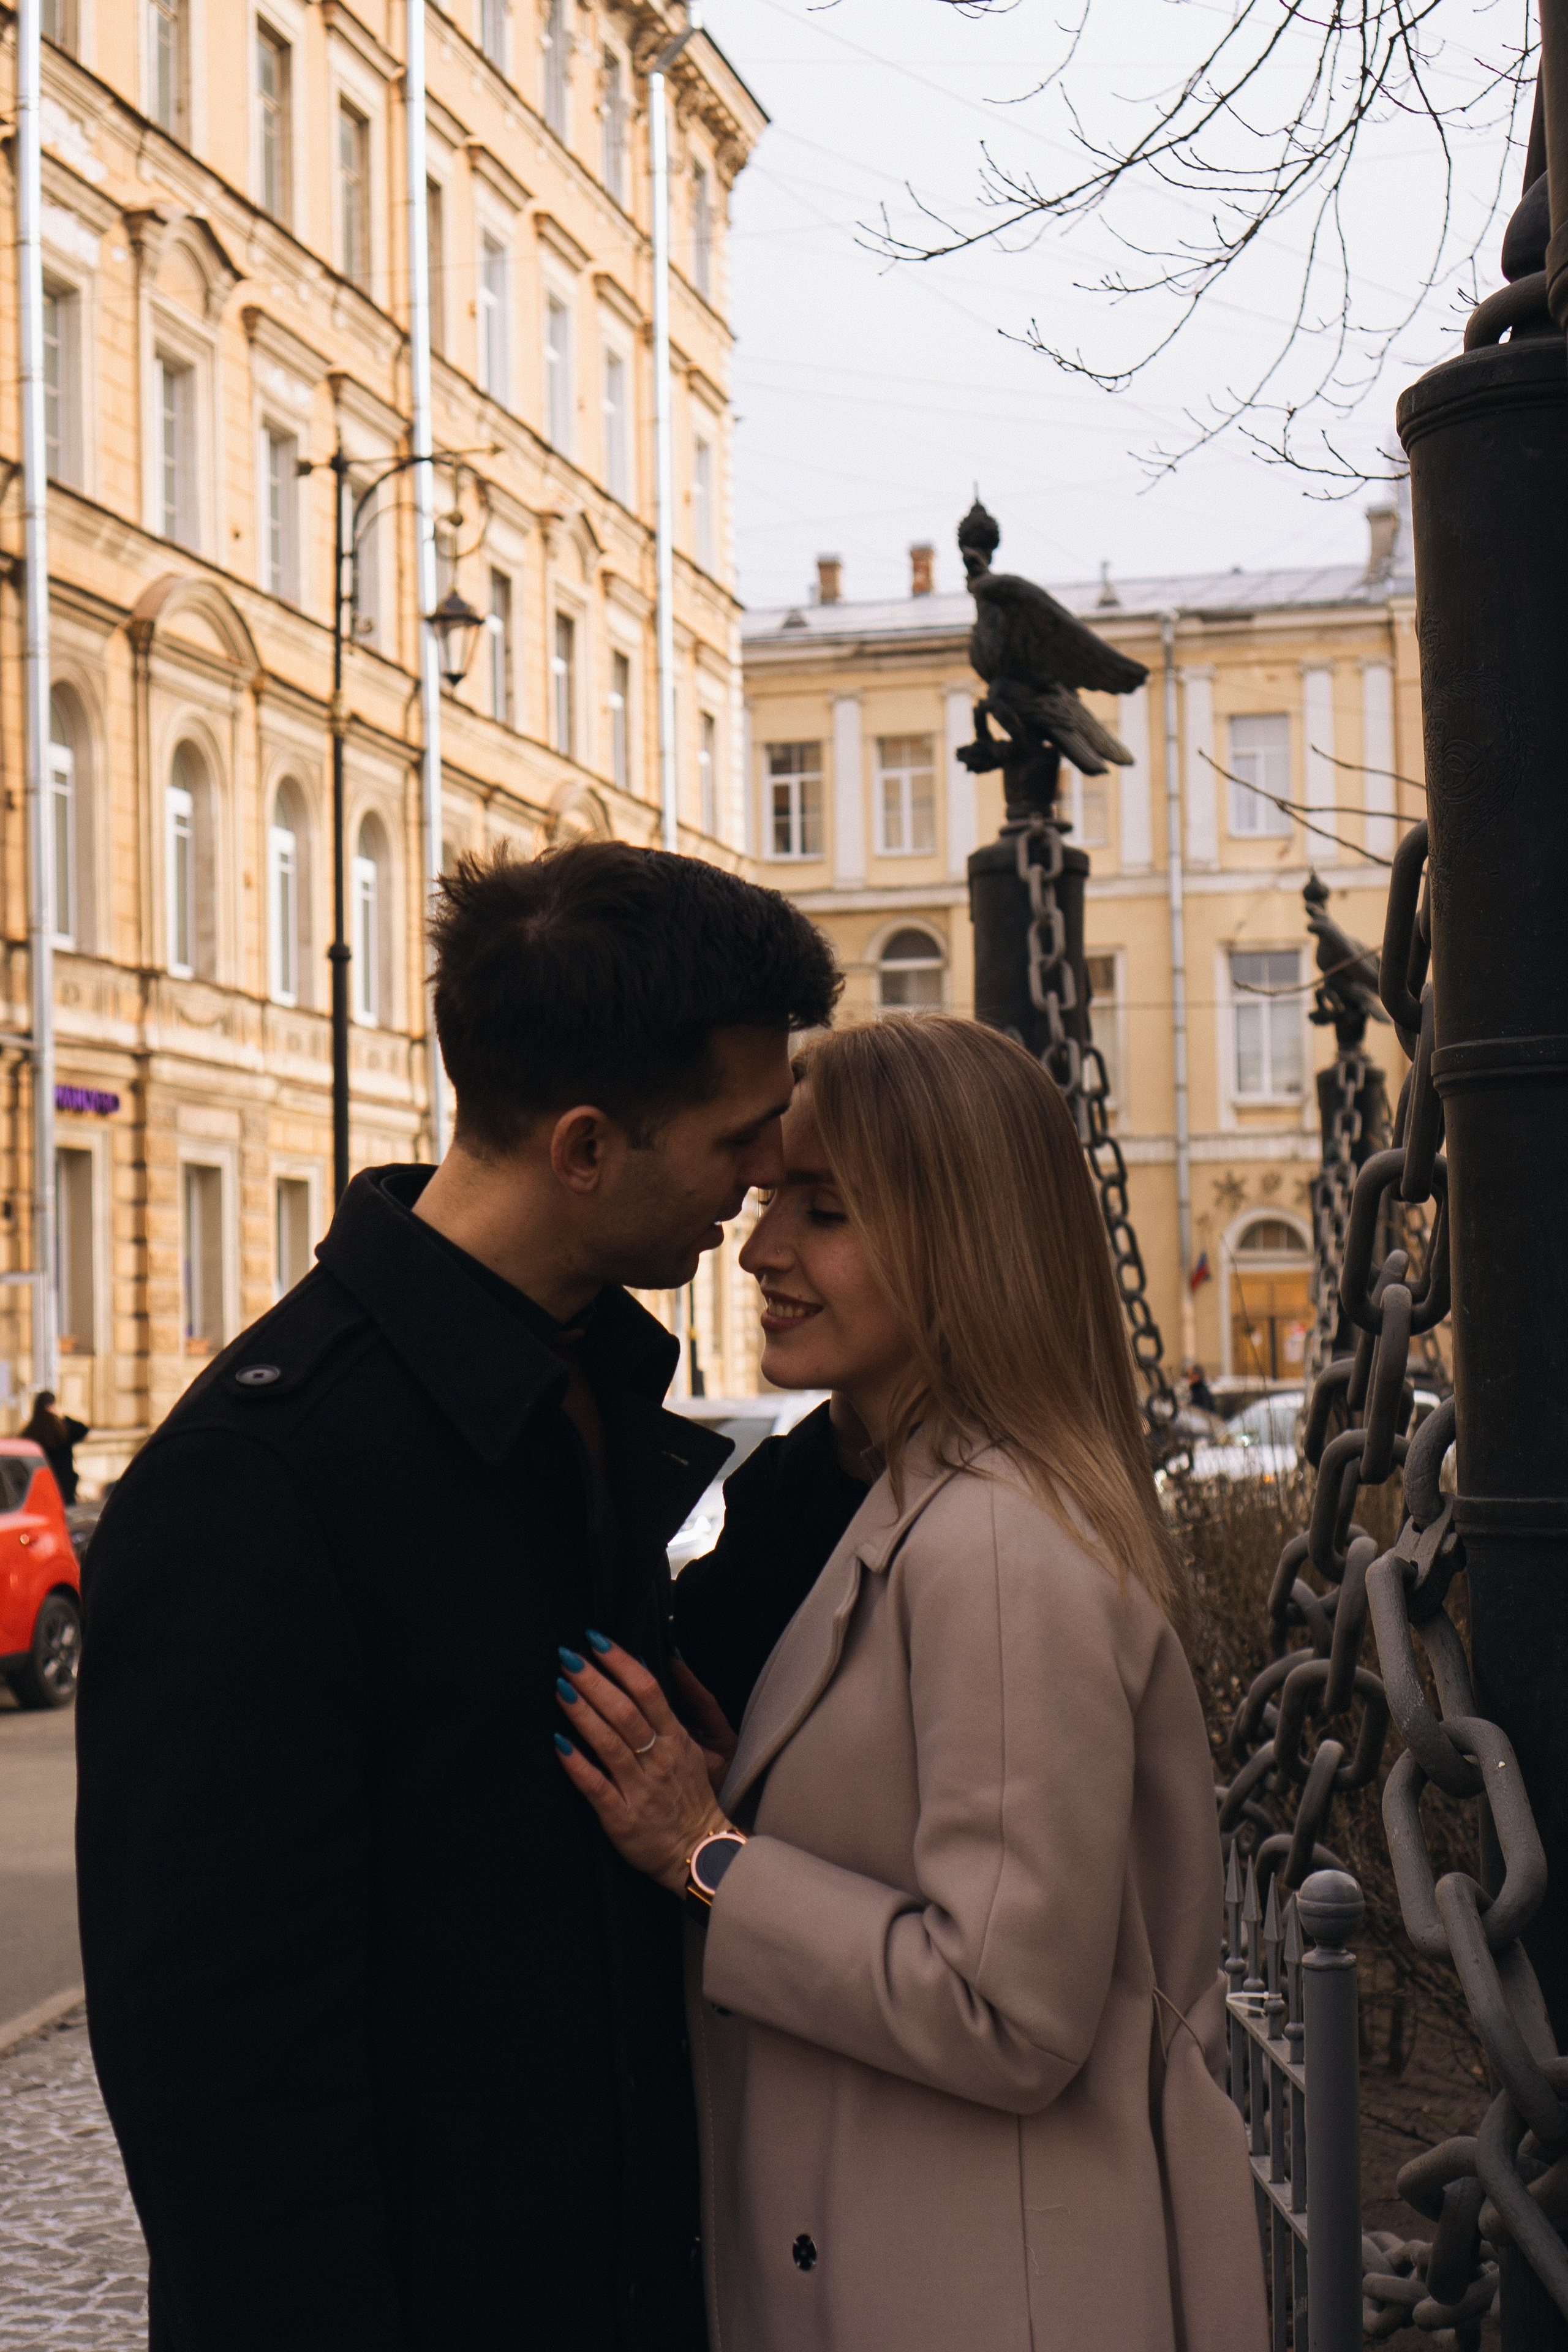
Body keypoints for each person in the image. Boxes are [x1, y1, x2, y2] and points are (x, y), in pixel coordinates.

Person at [75, 842, 840, 2352]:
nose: (760, 1180)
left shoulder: (578, 1379)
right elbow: (225, 2099)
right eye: (739, 1135)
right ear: (581, 1147)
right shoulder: (258, 1481)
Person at [557, 1016, 1267, 2352]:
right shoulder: (919, 1498)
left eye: (822, 1212)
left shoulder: (996, 1542)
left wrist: (704, 1854)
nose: (761, 1250)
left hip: (989, 2290)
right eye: (771, 1201)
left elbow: (1005, 2011)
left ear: (960, 1238)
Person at [22, 1389, 88, 1503]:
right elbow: (83, 1429)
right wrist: (63, 1416)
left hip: (40, 1487)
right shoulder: (63, 1430)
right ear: (53, 1406)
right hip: (63, 1486)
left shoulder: (30, 1432)